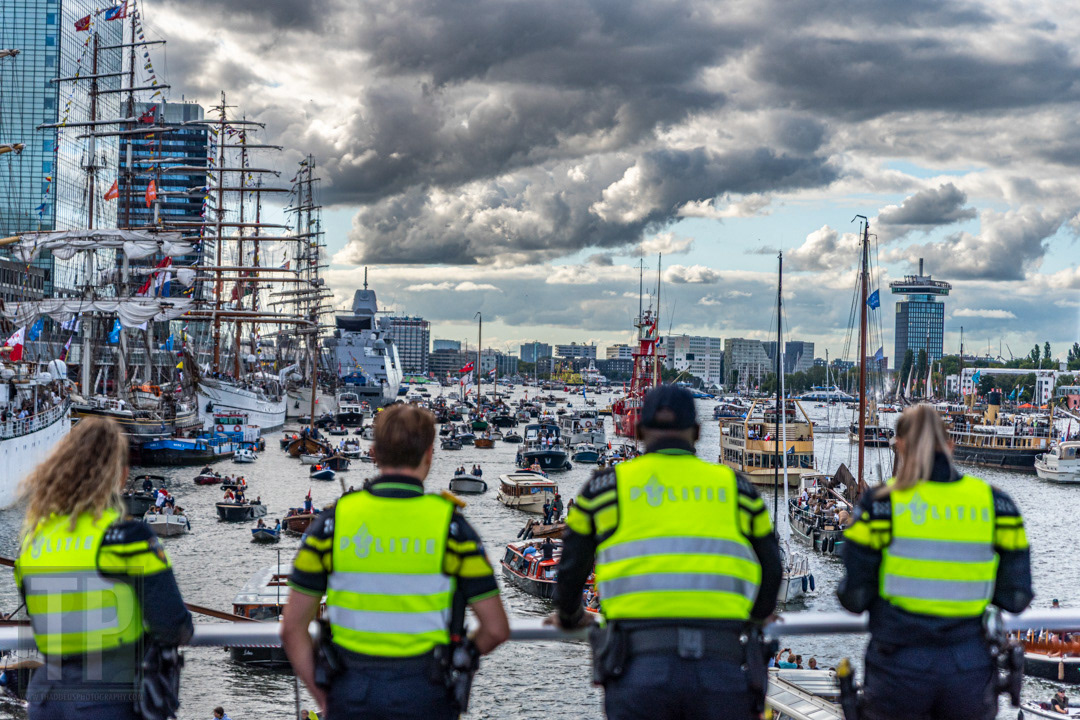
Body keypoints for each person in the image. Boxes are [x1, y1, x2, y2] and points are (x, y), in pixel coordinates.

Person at [550, 385, 782, 719]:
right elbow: (772, 569)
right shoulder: (738, 489)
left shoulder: (605, 489)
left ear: (640, 430)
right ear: (698, 432)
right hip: (722, 669)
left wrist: (572, 616)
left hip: (638, 671)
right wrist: (758, 616)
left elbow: (570, 572)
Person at [282, 404, 510, 719]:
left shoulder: (332, 523)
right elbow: (496, 628)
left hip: (351, 693)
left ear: (374, 453)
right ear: (430, 453)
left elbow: (292, 627)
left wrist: (326, 698)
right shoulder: (452, 528)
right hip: (425, 693)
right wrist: (459, 659)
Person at [838, 404, 1033, 720]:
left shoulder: (881, 505)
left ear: (899, 445)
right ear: (950, 445)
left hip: (899, 669)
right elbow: (1017, 597)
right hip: (969, 670)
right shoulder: (997, 504)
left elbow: (853, 598)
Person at [14, 417, 193, 720]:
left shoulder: (33, 542)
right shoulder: (125, 539)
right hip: (110, 699)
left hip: (47, 700)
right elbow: (174, 625)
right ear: (120, 476)